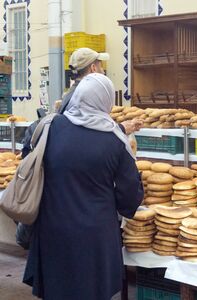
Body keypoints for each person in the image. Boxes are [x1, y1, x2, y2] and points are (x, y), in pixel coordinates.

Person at [22, 73, 144, 300]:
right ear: (106, 101)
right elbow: (129, 201)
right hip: (95, 239)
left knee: (56, 290)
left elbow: (28, 161)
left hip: (52, 231)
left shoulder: (50, 127)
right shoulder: (116, 140)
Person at [21, 47, 142, 158]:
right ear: (93, 68)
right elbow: (87, 132)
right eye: (100, 66)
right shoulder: (81, 97)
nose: (103, 72)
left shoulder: (71, 94)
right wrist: (120, 128)